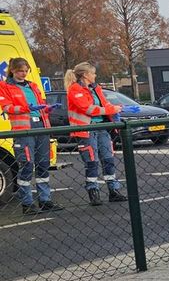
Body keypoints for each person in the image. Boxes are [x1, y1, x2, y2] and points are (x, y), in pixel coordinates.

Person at [0, 58, 61, 215]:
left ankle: (45, 200)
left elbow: (39, 106)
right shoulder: (5, 86)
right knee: (27, 165)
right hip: (24, 129)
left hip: (41, 126)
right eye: (21, 70)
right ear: (13, 70)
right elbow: (7, 107)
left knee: (43, 164)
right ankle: (27, 203)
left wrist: (48, 109)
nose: (24, 73)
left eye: (26, 71)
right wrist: (27, 107)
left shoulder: (32, 86)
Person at [65, 61, 124, 206]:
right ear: (86, 75)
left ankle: (113, 191)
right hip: (86, 130)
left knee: (108, 159)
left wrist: (118, 108)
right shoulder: (75, 89)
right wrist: (112, 110)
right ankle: (93, 192)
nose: (95, 75)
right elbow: (88, 109)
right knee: (92, 162)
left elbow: (104, 104)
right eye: (93, 73)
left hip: (102, 127)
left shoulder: (95, 88)